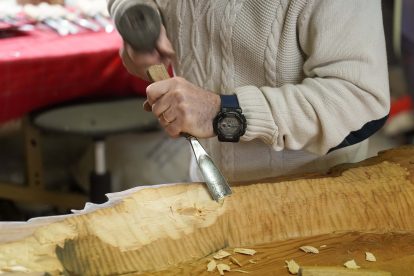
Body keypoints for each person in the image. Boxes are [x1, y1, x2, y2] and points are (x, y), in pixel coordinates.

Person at [108, 0, 390, 182]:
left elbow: (361, 100)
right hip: (208, 177)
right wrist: (134, 13)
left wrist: (223, 113)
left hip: (311, 195)